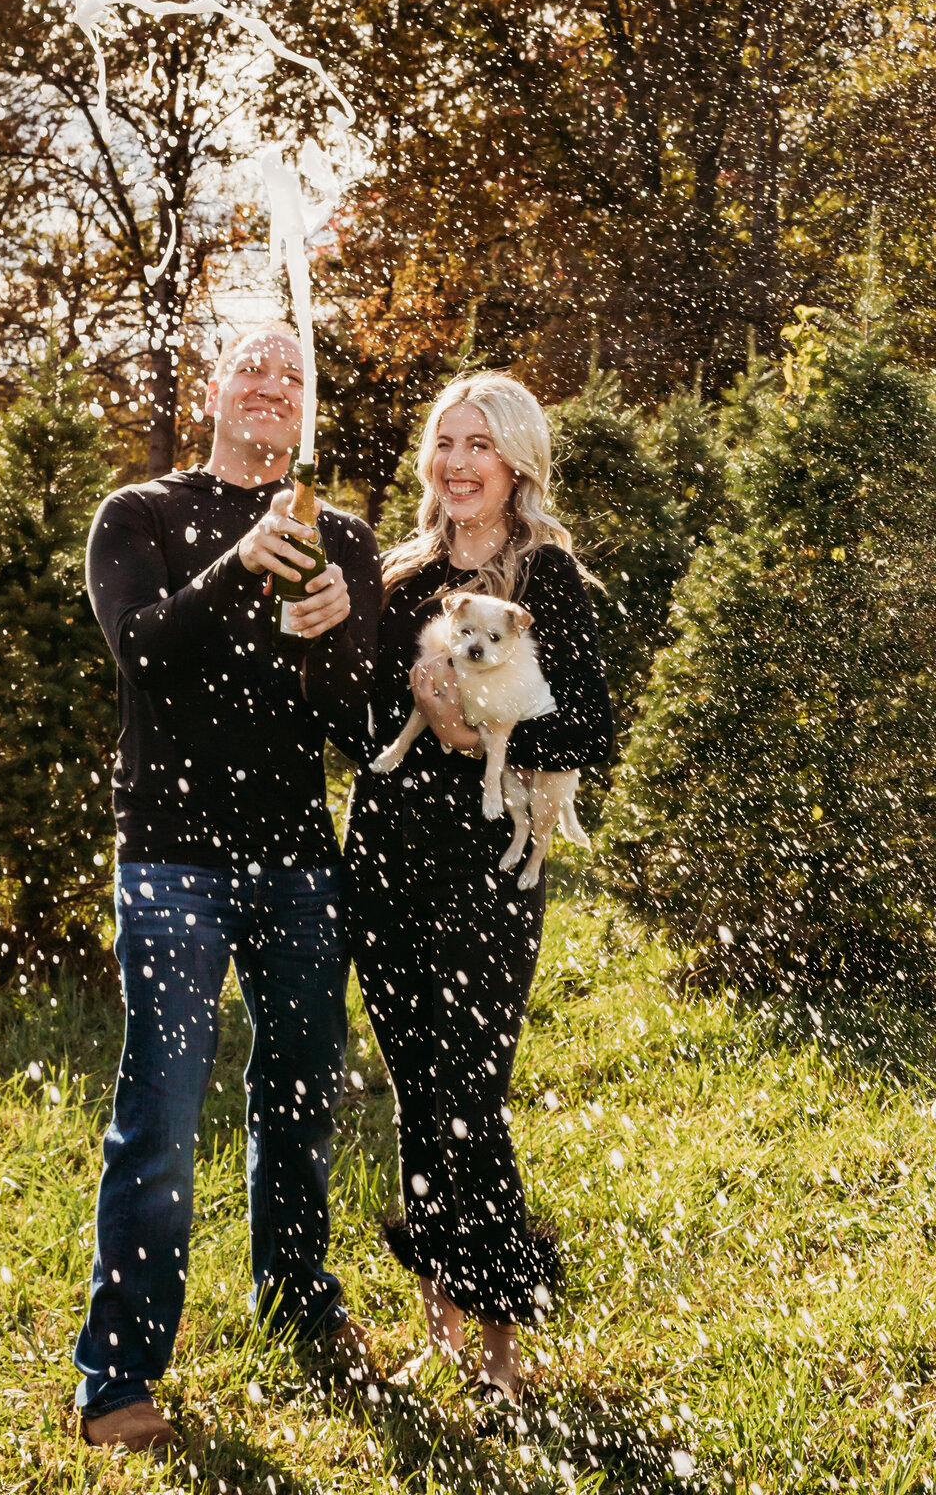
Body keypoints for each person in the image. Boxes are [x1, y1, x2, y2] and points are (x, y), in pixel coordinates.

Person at [74, 324, 381, 1454]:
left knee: (300, 1098)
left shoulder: (341, 536)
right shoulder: (141, 515)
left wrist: (340, 632)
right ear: (212, 389)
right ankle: (119, 1374)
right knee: (159, 1110)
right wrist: (237, 562)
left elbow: (346, 721)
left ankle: (298, 1304)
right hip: (172, 863)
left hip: (299, 864)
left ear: (306, 409)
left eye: (292, 373)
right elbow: (145, 649)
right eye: (250, 366)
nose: (270, 383)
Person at [344, 371, 612, 1405]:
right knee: (418, 1092)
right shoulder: (404, 576)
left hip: (486, 871)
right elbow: (363, 733)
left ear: (518, 463)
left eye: (479, 446)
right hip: (387, 866)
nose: (458, 464)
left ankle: (500, 1344)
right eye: (444, 444)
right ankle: (441, 1328)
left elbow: (589, 728)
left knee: (473, 1093)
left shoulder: (547, 580)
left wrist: (468, 733)